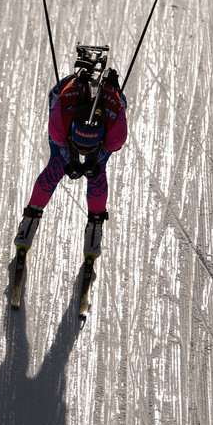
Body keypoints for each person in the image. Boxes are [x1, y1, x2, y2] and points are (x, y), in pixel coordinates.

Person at [14, 66, 127, 275]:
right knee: (57, 164)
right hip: (65, 101)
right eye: (78, 146)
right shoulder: (59, 127)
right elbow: (64, 151)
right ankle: (29, 220)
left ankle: (95, 225)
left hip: (109, 110)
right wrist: (70, 158)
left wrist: (92, 161)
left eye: (88, 149)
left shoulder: (116, 133)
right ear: (70, 134)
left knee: (97, 170)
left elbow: (98, 158)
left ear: (101, 139)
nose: (83, 152)